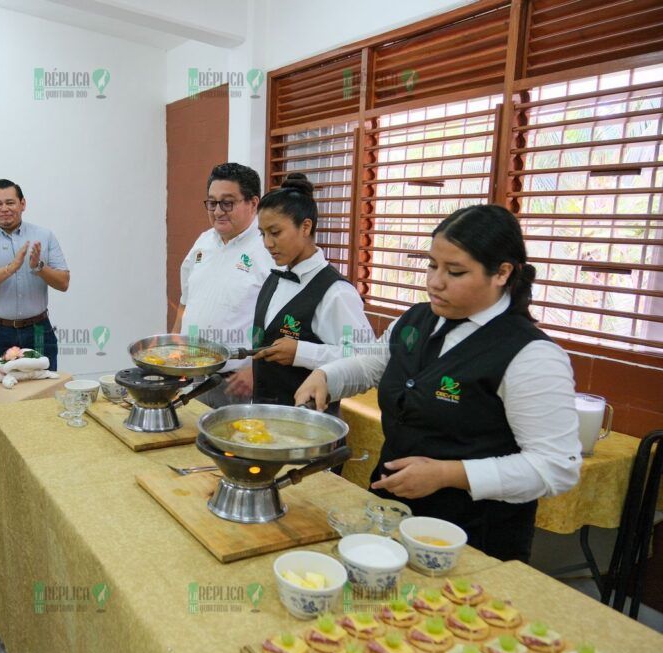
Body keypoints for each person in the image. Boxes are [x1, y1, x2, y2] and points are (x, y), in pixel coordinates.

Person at [295, 205, 582, 562]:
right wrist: (328, 375)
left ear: (502, 273)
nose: (435, 282)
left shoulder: (531, 355)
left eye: (455, 271)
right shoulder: (419, 319)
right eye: (432, 265)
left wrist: (450, 474)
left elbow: (556, 467)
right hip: (393, 518)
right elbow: (374, 362)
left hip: (474, 539)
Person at [251, 173, 372, 409]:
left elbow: (366, 361)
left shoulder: (336, 292)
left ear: (306, 226)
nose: (267, 243)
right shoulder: (274, 277)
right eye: (262, 233)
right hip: (268, 418)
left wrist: (302, 352)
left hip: (310, 426)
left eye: (275, 233)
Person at [172, 162, 272, 407]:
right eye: (212, 202)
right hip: (194, 375)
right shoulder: (204, 242)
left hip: (238, 382)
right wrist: (173, 345)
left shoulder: (269, 249)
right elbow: (186, 300)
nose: (218, 211)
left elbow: (283, 322)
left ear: (253, 203)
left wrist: (256, 370)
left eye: (227, 203)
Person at [0, 179, 69, 369]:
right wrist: (10, 269)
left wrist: (39, 268)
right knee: (0, 395)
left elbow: (63, 283)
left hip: (38, 329)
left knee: (44, 389)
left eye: (10, 202)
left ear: (23, 204)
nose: (4, 208)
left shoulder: (44, 235)